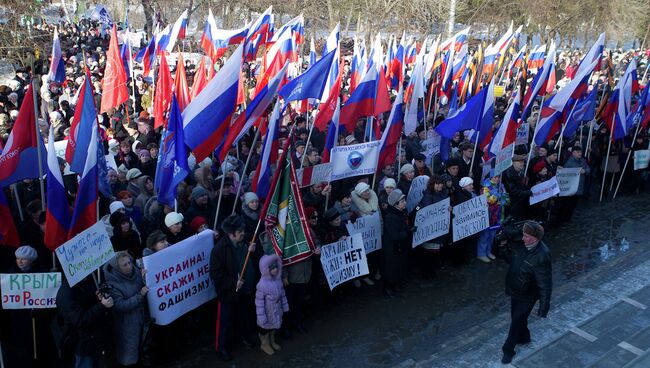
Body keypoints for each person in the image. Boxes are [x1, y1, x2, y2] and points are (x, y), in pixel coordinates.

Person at [210, 215, 263, 361]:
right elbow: (216, 274)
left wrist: (254, 251)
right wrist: (233, 283)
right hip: (229, 293)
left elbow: (255, 258)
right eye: (239, 231)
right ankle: (221, 348)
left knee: (244, 316)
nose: (243, 233)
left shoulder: (246, 240)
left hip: (247, 289)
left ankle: (244, 337)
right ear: (231, 234)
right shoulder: (219, 250)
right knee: (225, 321)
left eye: (242, 230)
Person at [499, 221, 552, 364]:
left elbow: (545, 284)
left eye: (527, 236)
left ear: (536, 238)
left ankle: (508, 350)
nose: (523, 238)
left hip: (528, 295)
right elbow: (513, 261)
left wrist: (543, 308)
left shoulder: (542, 255)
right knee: (517, 318)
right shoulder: (522, 245)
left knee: (516, 321)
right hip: (516, 290)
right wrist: (503, 248)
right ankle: (524, 337)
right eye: (523, 235)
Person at [55, 274, 113, 368]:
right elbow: (79, 321)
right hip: (82, 344)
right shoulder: (66, 294)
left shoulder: (86, 282)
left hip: (96, 340)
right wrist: (101, 306)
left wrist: (101, 299)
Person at [103, 252, 147, 367]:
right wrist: (139, 296)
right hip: (127, 325)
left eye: (129, 262)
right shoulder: (112, 284)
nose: (129, 266)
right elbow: (120, 305)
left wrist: (145, 278)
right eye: (124, 265)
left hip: (141, 318)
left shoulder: (135, 272)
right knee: (129, 356)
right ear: (117, 268)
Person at [255, 254, 290, 355]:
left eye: (276, 267)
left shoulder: (278, 280)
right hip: (267, 312)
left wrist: (285, 306)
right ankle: (265, 344)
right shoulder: (262, 285)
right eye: (272, 268)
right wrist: (261, 316)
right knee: (265, 329)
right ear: (266, 269)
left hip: (276, 310)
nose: (275, 270)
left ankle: (272, 340)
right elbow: (259, 303)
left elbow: (282, 294)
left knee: (273, 327)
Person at [381, 189, 411, 298]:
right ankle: (388, 287)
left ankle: (396, 284)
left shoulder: (401, 213)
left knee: (399, 266)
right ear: (396, 204)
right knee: (391, 268)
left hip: (400, 247)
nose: (405, 203)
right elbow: (395, 235)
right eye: (402, 201)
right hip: (392, 248)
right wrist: (407, 232)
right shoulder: (390, 217)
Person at [477, 173, 510, 263]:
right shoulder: (485, 187)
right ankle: (481, 254)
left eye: (498, 177)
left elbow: (507, 200)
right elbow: (488, 200)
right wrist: (496, 196)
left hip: (497, 215)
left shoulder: (501, 186)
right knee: (485, 235)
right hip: (488, 215)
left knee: (492, 235)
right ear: (491, 177)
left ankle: (488, 251)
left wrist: (501, 200)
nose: (497, 179)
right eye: (495, 177)